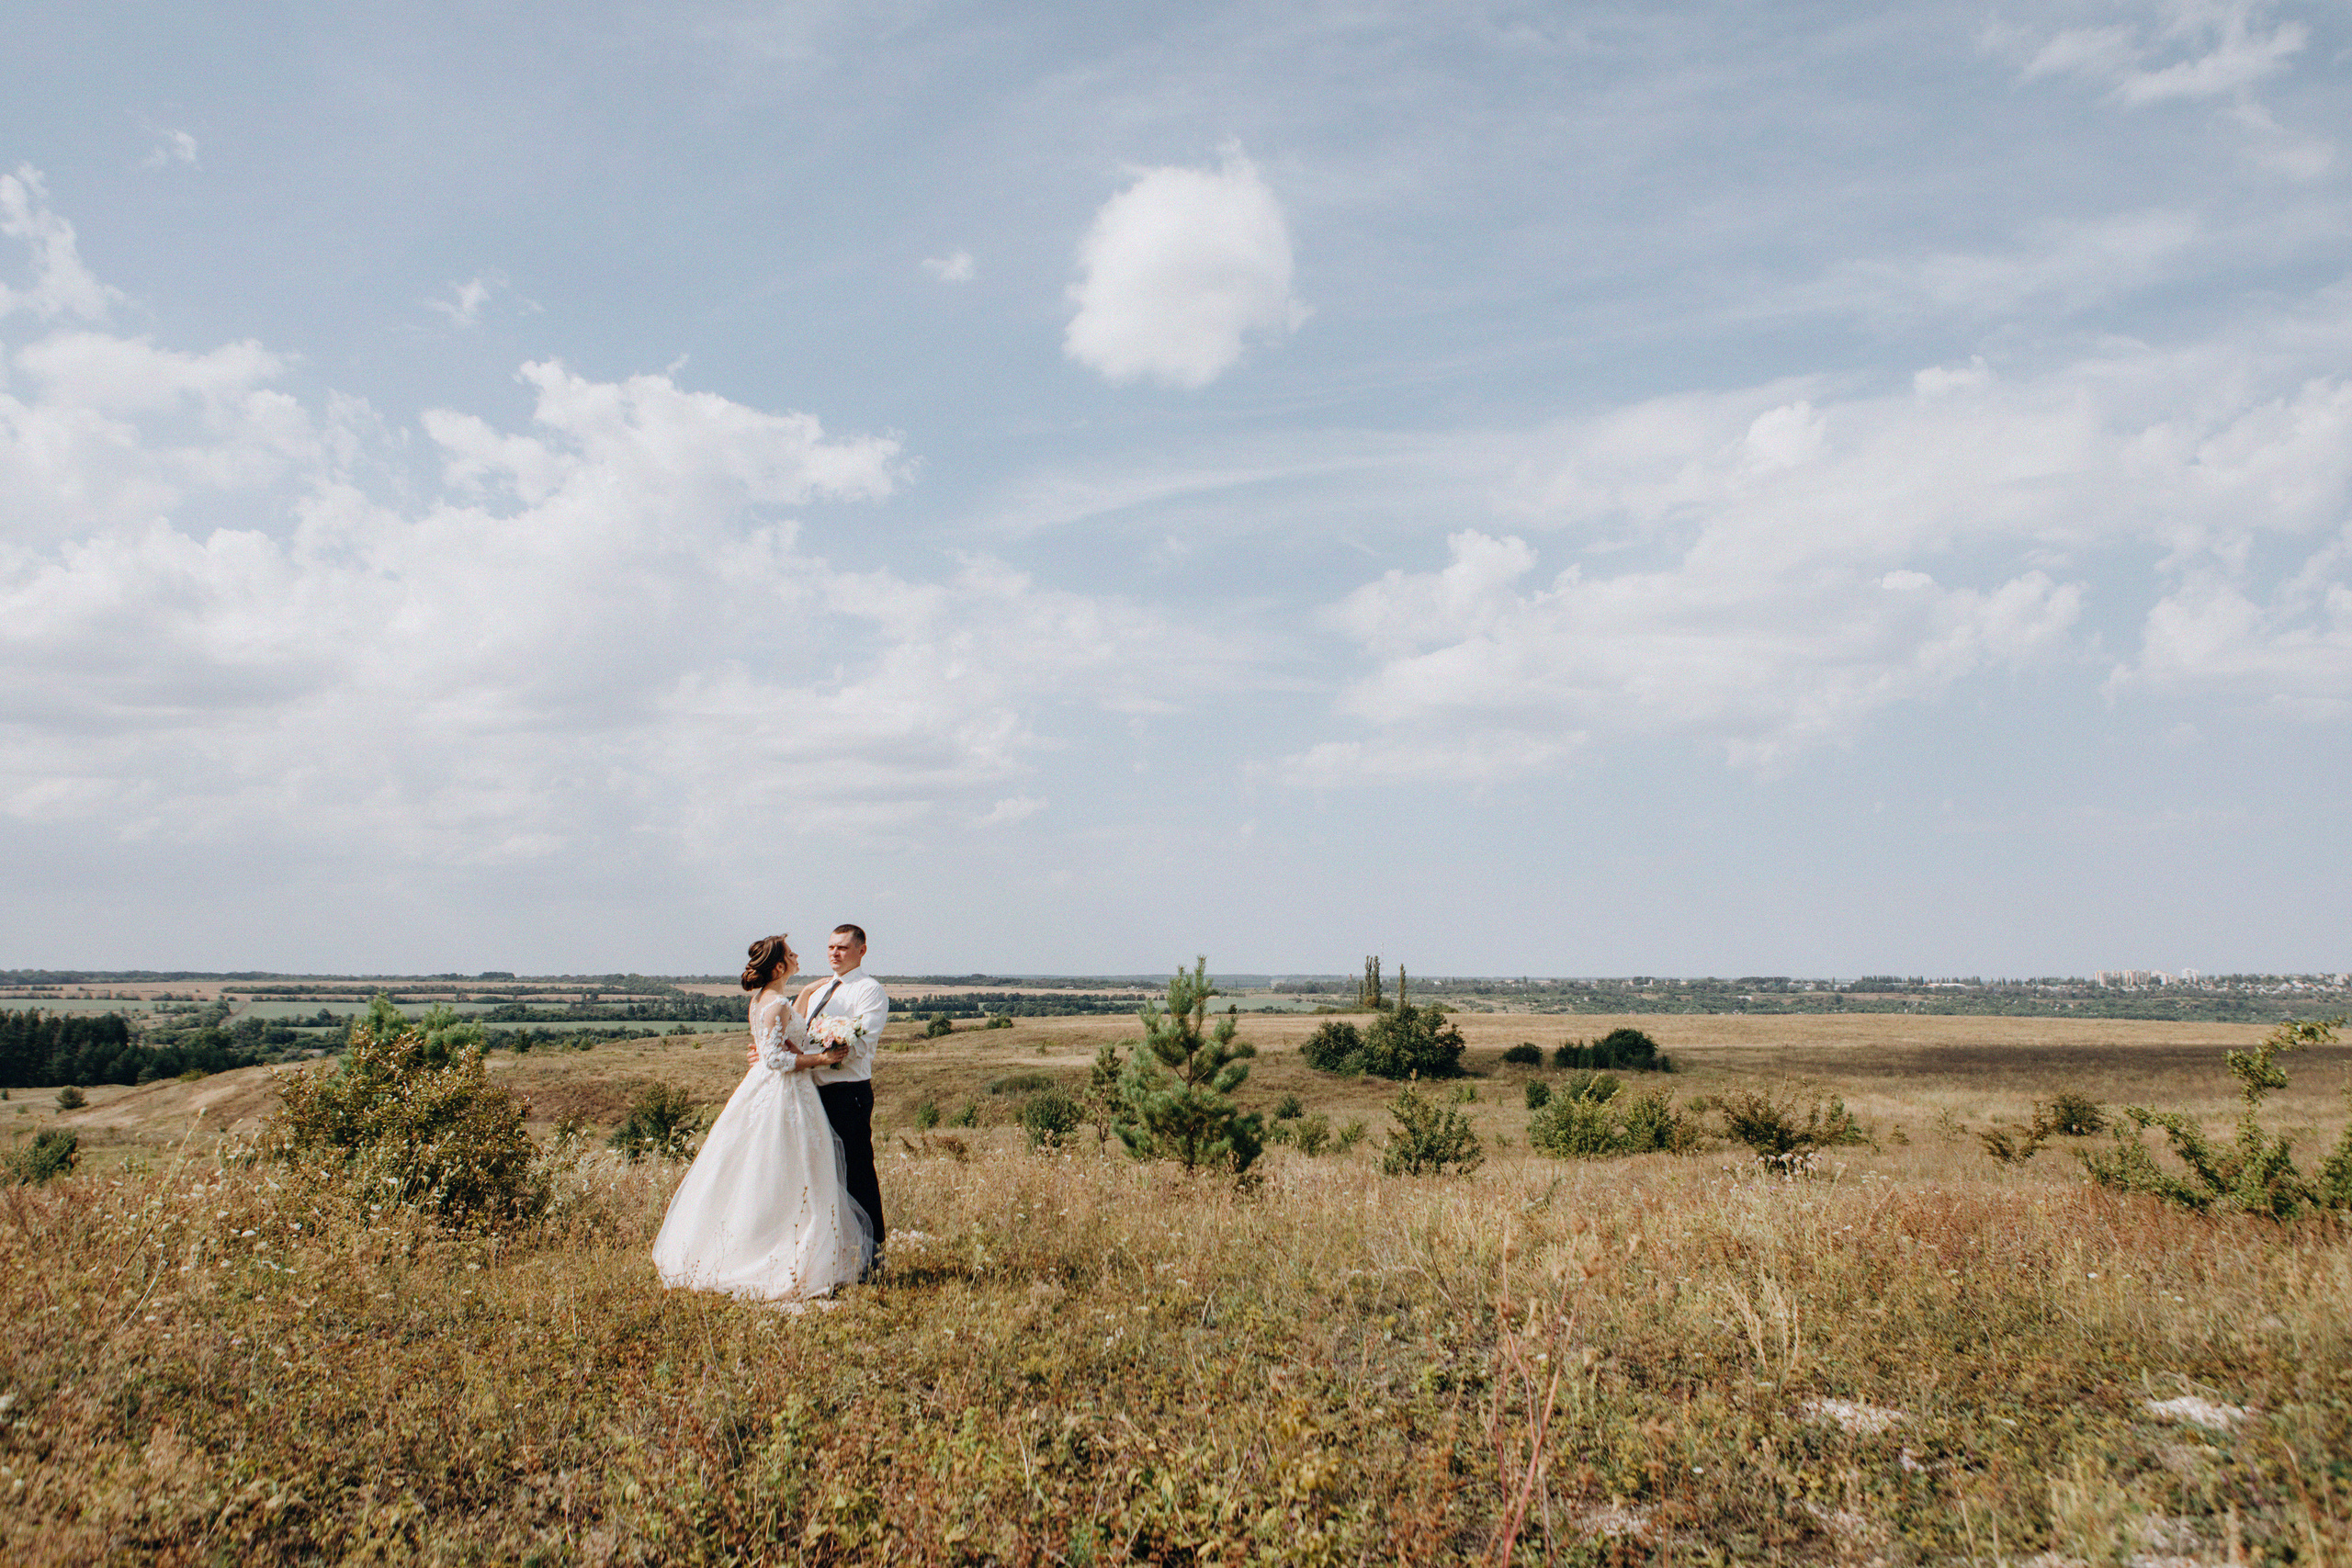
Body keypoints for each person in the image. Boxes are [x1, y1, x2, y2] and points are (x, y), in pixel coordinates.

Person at [650, 934, 871, 1301]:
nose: (799, 955)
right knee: (786, 1168)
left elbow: (791, 1021)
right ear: (781, 966)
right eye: (792, 954)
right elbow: (776, 1059)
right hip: (784, 1094)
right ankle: (775, 1250)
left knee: (768, 1168)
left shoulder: (764, 1000)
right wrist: (820, 1059)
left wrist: (818, 986)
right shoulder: (775, 1004)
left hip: (769, 1091)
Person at [786, 924, 888, 1267]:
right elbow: (799, 1036)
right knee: (821, 1174)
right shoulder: (821, 992)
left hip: (848, 1092)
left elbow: (863, 1040)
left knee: (856, 1171)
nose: (834, 953)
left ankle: (872, 1255)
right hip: (814, 1091)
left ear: (861, 950)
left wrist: (831, 1046)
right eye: (831, 947)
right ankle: (833, 1252)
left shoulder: (868, 990)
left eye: (843, 948)